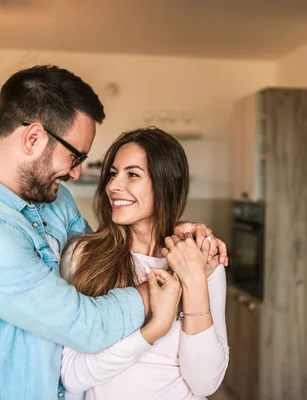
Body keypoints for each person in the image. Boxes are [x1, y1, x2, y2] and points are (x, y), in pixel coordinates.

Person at [0, 65, 228, 399]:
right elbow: (86, 324)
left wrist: (181, 237)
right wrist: (175, 282)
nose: (77, 172)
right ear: (33, 138)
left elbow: (99, 253)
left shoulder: (53, 198)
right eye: (75, 155)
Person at [59, 127, 229, 400]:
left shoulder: (202, 261)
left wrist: (194, 280)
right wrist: (153, 330)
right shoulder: (83, 257)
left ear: (166, 183)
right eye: (113, 174)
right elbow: (72, 375)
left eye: (133, 174)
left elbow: (205, 383)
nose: (113, 186)